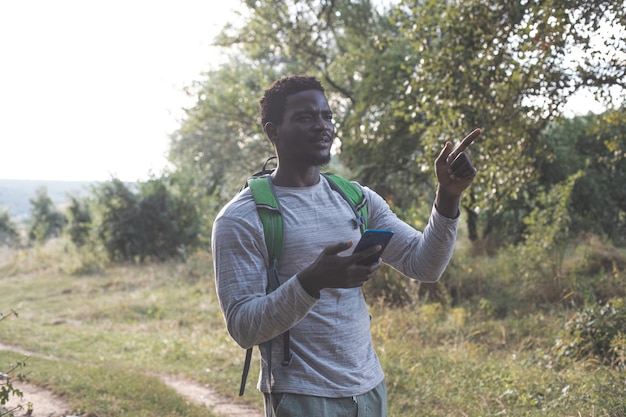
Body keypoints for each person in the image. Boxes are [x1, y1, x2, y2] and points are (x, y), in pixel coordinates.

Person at [212, 75, 479, 417]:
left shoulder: (356, 199)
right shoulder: (242, 218)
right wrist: (311, 281)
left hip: (368, 390)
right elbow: (243, 327)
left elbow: (424, 265)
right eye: (306, 118)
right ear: (273, 131)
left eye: (327, 116)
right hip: (301, 397)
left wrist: (448, 196)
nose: (322, 126)